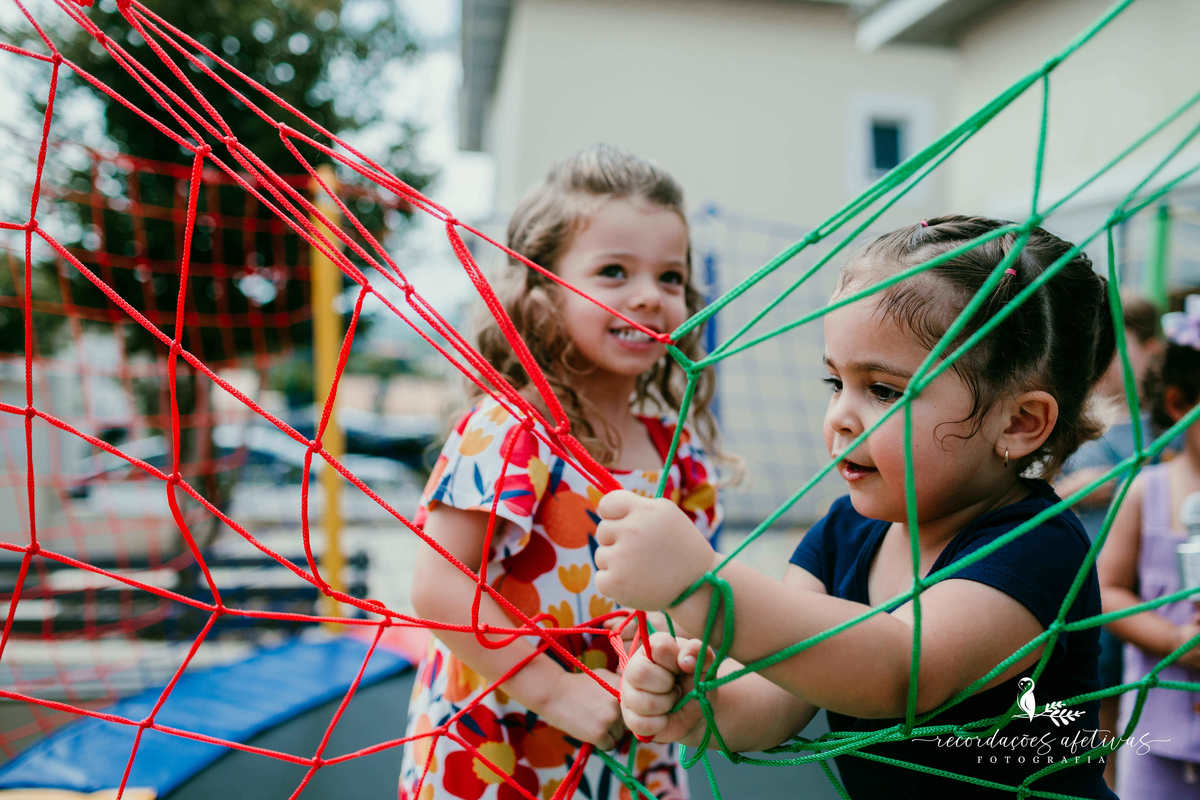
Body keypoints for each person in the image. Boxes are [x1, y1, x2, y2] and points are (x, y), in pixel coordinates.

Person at [595, 216, 1120, 799]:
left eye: (884, 390)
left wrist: (701, 585)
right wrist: (703, 707)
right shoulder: (845, 531)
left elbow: (901, 670)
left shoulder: (1036, 545)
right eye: (834, 383)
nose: (841, 416)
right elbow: (782, 695)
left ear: (1019, 423)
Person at [398, 144, 724, 800]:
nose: (650, 297)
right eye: (613, 271)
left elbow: (691, 598)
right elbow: (438, 586)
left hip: (626, 748)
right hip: (498, 745)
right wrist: (555, 689)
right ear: (542, 291)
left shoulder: (678, 451)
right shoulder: (514, 429)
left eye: (670, 278)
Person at [1056, 292, 1164, 787]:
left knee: (1142, 711)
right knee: (1093, 712)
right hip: (1086, 595)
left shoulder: (1169, 430)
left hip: (1149, 599)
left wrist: (1128, 483)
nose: (1099, 358)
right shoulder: (1075, 425)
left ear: (1152, 351)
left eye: (1114, 345)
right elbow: (1037, 491)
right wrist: (1072, 490)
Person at [1098, 292, 1200, 798]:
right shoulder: (1145, 491)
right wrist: (1172, 639)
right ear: (1180, 404)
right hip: (1159, 723)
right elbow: (1108, 590)